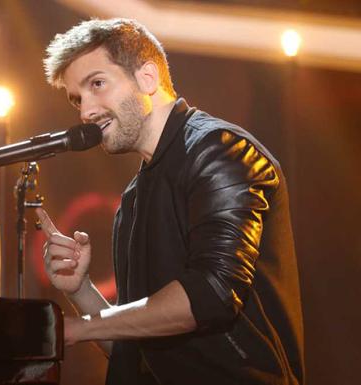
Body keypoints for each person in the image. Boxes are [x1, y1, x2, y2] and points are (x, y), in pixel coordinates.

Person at [36, 18, 304, 385]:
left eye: (97, 84)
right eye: (78, 98)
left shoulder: (220, 151)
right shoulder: (134, 197)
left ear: (146, 77)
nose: (86, 112)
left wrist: (80, 328)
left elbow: (211, 294)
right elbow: (132, 349)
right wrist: (80, 290)